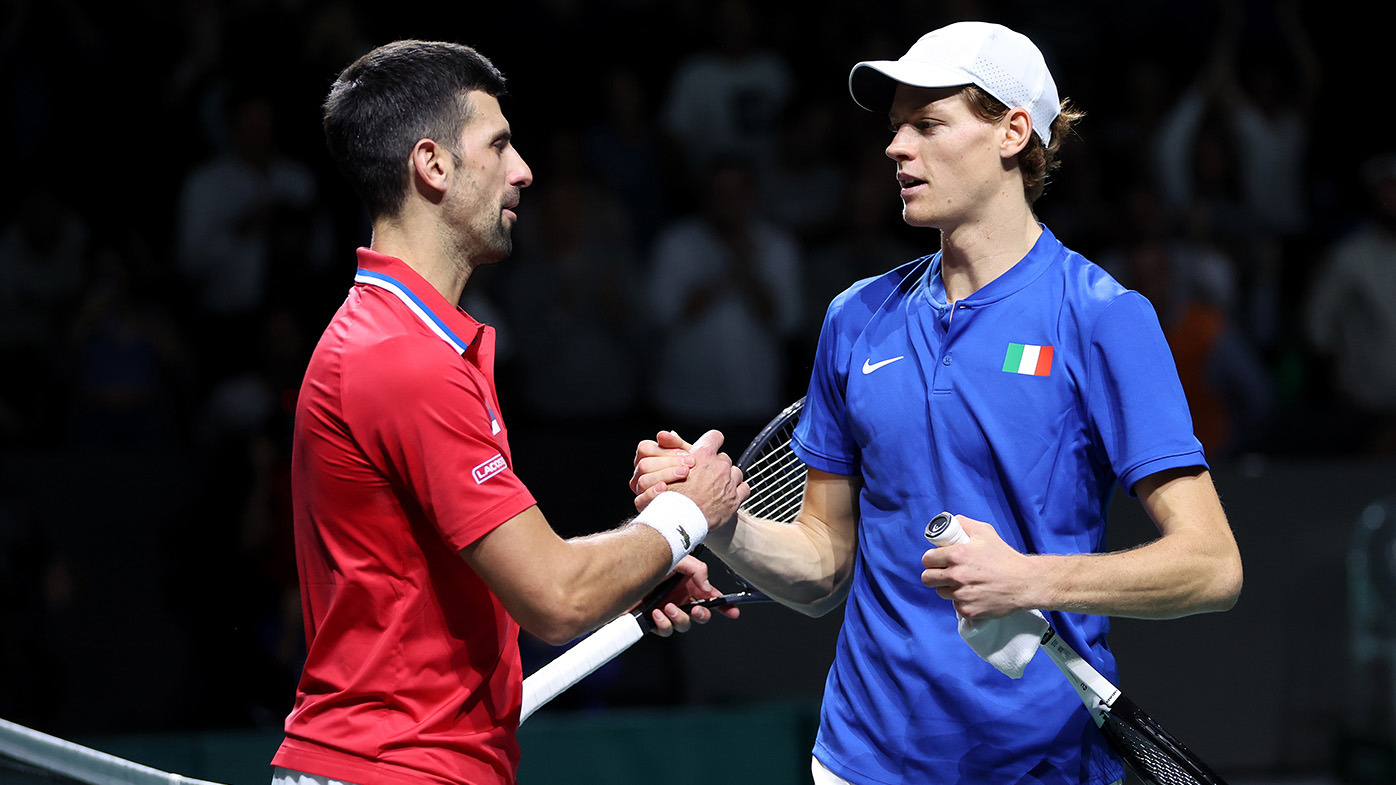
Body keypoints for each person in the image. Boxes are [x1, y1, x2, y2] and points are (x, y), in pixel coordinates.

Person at [633, 22, 1242, 785]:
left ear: (1013, 132)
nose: (896, 148)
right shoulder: (855, 317)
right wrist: (719, 522)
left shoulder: (1102, 316)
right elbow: (822, 566)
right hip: (862, 758)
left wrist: (1030, 579)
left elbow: (1212, 564)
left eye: (928, 124)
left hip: (1040, 764)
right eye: (895, 129)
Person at [271, 40, 749, 785]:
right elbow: (555, 597)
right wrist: (685, 514)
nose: (523, 169)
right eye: (498, 144)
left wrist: (635, 566)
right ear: (432, 165)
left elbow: (519, 578)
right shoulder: (403, 359)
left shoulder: (401, 338)